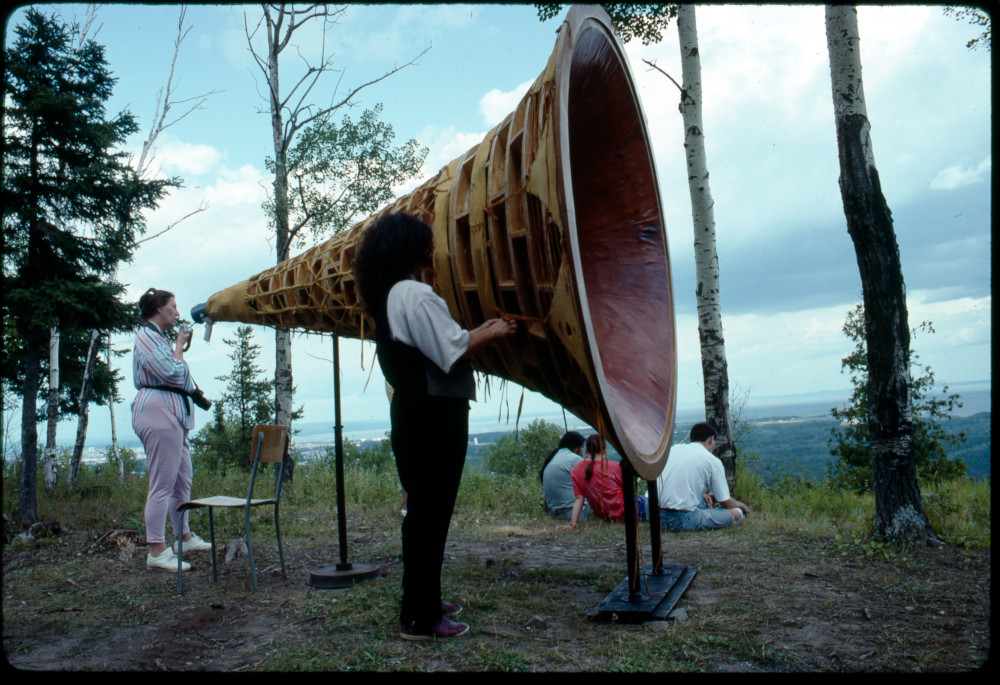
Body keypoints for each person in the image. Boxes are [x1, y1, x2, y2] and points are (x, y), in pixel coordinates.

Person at [354, 213, 517, 641]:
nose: (432, 251)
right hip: (435, 417)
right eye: (426, 245)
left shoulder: (391, 294)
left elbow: (441, 341)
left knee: (422, 515)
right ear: (412, 249)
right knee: (431, 516)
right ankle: (421, 617)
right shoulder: (416, 293)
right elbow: (452, 349)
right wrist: (496, 331)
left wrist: (478, 330)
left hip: (413, 414)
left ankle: (423, 599)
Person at [131, 288, 212, 573]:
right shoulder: (146, 338)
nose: (177, 313)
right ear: (158, 310)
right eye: (173, 307)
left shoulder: (156, 338)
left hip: (172, 414)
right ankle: (156, 550)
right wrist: (180, 344)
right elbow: (175, 373)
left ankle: (183, 537)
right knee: (162, 485)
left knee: (182, 479)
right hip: (157, 413)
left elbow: (177, 373)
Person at [656, 422, 749, 531]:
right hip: (679, 519)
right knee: (737, 513)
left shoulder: (673, 450)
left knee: (704, 501)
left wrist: (703, 495)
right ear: (711, 439)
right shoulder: (712, 460)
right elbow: (726, 503)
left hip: (653, 514)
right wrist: (742, 506)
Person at [557, 434, 649, 530]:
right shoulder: (615, 467)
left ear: (586, 450)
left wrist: (572, 524)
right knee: (655, 506)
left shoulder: (576, 471)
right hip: (629, 511)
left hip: (607, 516)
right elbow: (629, 491)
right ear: (604, 451)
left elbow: (579, 499)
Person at [539, 431, 592, 521]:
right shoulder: (574, 459)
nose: (582, 451)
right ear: (576, 448)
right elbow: (594, 479)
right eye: (582, 447)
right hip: (573, 513)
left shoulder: (555, 456)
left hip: (554, 513)